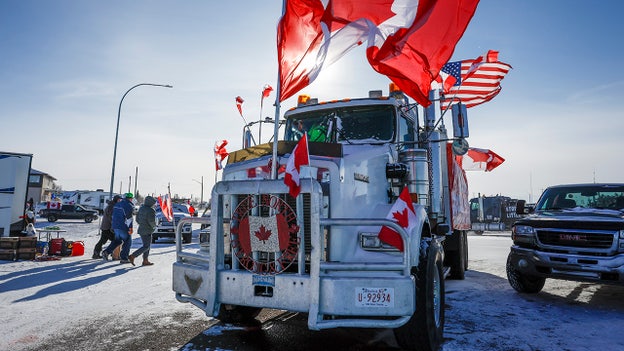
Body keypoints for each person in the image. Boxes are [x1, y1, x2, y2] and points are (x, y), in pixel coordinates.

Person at [102, 192, 135, 264]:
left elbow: (113, 216)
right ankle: (124, 258)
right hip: (123, 226)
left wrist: (113, 226)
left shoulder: (117, 204)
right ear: (130, 198)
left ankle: (106, 252)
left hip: (115, 226)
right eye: (131, 198)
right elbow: (129, 218)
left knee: (118, 241)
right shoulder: (129, 205)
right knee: (127, 241)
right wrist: (130, 228)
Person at [129, 196, 157, 266]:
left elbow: (137, 219)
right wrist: (154, 227)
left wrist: (141, 223)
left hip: (141, 229)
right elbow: (151, 221)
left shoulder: (141, 208)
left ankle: (145, 260)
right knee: (146, 246)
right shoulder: (151, 210)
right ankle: (133, 256)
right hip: (147, 230)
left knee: (147, 245)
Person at [92, 195, 121, 259]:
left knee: (103, 240)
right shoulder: (112, 207)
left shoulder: (112, 206)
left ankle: (97, 253)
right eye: (119, 200)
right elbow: (111, 217)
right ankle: (108, 253)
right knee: (115, 240)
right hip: (108, 227)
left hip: (106, 226)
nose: (120, 201)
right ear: (116, 200)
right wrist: (114, 226)